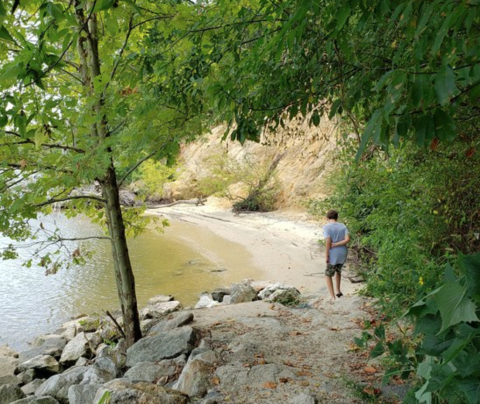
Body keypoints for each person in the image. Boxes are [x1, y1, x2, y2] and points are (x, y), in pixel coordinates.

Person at [323, 210, 350, 302]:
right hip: (343, 252)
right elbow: (347, 239)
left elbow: (328, 242)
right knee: (338, 271)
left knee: (328, 274)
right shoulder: (343, 226)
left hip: (333, 253)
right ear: (337, 217)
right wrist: (338, 244)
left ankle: (332, 296)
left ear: (327, 218)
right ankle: (338, 291)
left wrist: (326, 255)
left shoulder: (326, 227)